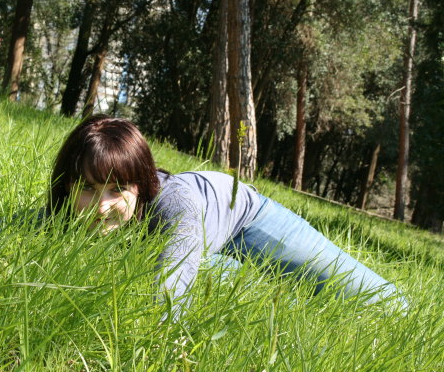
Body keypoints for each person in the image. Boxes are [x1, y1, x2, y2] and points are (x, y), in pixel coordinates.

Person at [49, 114, 407, 318]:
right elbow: (30, 227)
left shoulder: (175, 205)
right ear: (66, 185)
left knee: (379, 301)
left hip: (247, 219)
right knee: (285, 304)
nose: (101, 206)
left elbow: (171, 287)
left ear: (140, 185)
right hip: (205, 246)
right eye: (88, 188)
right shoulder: (63, 212)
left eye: (117, 190)